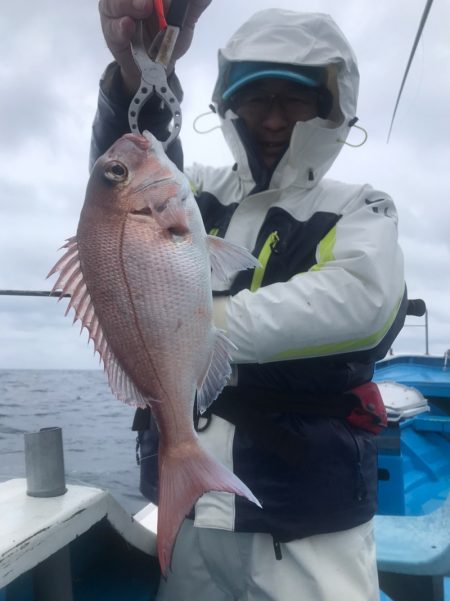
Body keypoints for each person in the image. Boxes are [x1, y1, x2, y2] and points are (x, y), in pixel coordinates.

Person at [92, 3, 407, 600]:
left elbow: (363, 301)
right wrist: (134, 74)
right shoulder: (195, 189)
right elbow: (117, 186)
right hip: (190, 521)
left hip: (309, 526)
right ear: (229, 105)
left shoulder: (361, 206)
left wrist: (187, 327)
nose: (271, 119)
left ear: (332, 109)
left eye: (295, 100)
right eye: (256, 98)